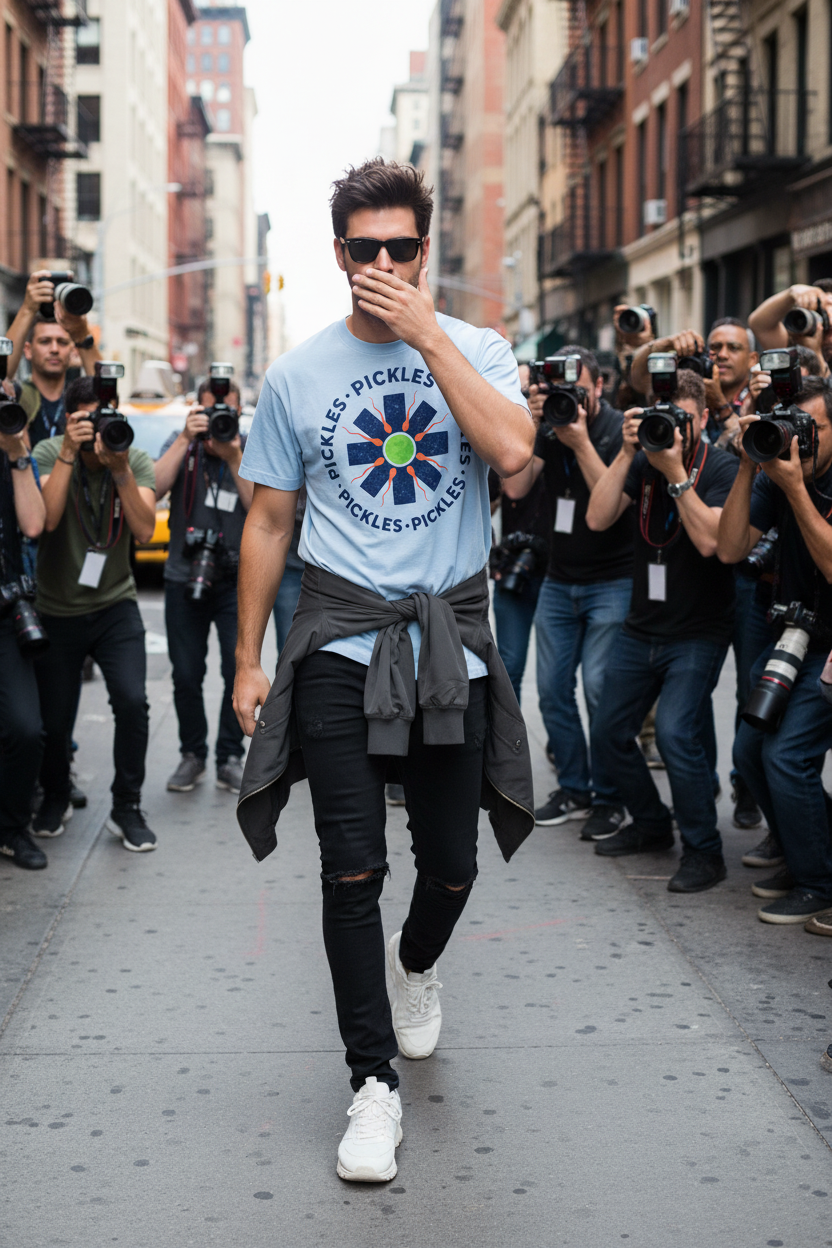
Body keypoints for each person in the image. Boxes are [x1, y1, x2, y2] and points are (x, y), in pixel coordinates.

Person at [231, 158, 535, 1183]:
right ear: (338, 254)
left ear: (424, 248)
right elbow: (268, 521)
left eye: (403, 247)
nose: (385, 264)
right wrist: (246, 660)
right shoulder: (297, 374)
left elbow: (512, 452)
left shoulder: (477, 349)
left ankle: (416, 965)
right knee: (350, 868)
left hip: (447, 641)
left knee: (451, 865)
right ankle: (371, 1086)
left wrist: (427, 337)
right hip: (340, 639)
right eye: (366, 249)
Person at [586, 369, 739, 893]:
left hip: (698, 630)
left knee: (674, 734)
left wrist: (675, 473)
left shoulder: (721, 467)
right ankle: (651, 824)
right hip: (641, 627)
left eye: (683, 419)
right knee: (608, 732)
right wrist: (627, 453)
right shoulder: (643, 459)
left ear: (703, 418)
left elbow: (711, 543)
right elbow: (597, 519)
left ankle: (704, 852)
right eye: (663, 416)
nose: (672, 428)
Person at [502, 344, 633, 839]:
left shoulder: (618, 430)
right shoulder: (550, 425)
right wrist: (533, 423)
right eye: (560, 391)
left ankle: (610, 796)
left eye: (577, 390)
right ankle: (576, 788)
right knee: (553, 691)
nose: (569, 401)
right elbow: (515, 488)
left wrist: (578, 442)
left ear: (599, 385)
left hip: (613, 581)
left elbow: (610, 505)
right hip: (559, 579)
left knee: (600, 689)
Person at [717, 376, 832, 924]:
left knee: (787, 758)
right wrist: (748, 465)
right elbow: (730, 548)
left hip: (828, 649)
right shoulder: (779, 471)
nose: (799, 440)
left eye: (812, 428)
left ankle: (819, 880)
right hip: (794, 633)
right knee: (748, 754)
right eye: (793, 427)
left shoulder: (799, 481)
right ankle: (804, 848)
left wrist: (795, 489)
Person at [29, 375, 158, 850]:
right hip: (56, 606)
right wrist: (68, 451)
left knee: (132, 702)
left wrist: (120, 471)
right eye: (86, 420)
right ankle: (56, 794)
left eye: (105, 417)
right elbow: (46, 520)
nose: (98, 429)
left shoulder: (132, 457)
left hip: (114, 604)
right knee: (54, 718)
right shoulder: (48, 452)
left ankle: (127, 806)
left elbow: (144, 531)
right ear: (68, 420)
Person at [153, 377, 252, 795]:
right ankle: (192, 753)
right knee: (187, 673)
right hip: (183, 576)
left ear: (239, 410)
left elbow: (262, 507)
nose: (217, 420)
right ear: (196, 409)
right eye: (210, 411)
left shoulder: (250, 446)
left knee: (236, 671)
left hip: (237, 582)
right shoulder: (182, 443)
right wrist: (183, 438)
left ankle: (229, 756)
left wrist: (234, 456)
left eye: (225, 411)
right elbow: (154, 488)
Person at [0, 422, 47, 868]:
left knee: (26, 729)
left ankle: (13, 829)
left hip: (7, 610)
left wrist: (17, 454)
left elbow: (33, 524)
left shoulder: (14, 456)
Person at [8, 271, 101, 448]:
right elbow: (2, 374)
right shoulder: (16, 396)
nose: (54, 349)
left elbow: (105, 392)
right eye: (44, 341)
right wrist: (27, 309)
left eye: (62, 342)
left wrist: (82, 333)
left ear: (73, 351)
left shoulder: (79, 399)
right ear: (28, 350)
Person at [749, 280, 832, 372]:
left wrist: (815, 355)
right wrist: (791, 294)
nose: (828, 318)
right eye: (822, 312)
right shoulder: (799, 343)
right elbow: (761, 324)